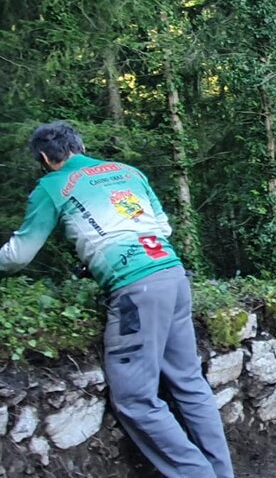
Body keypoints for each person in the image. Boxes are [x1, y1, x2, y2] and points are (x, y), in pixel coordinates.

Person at [0, 121, 233, 478]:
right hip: (172, 274)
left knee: (135, 400)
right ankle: (221, 471)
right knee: (189, 382)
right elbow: (162, 227)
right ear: (78, 145)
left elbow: (19, 255)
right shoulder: (128, 171)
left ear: (45, 158)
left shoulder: (52, 186)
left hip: (135, 290)